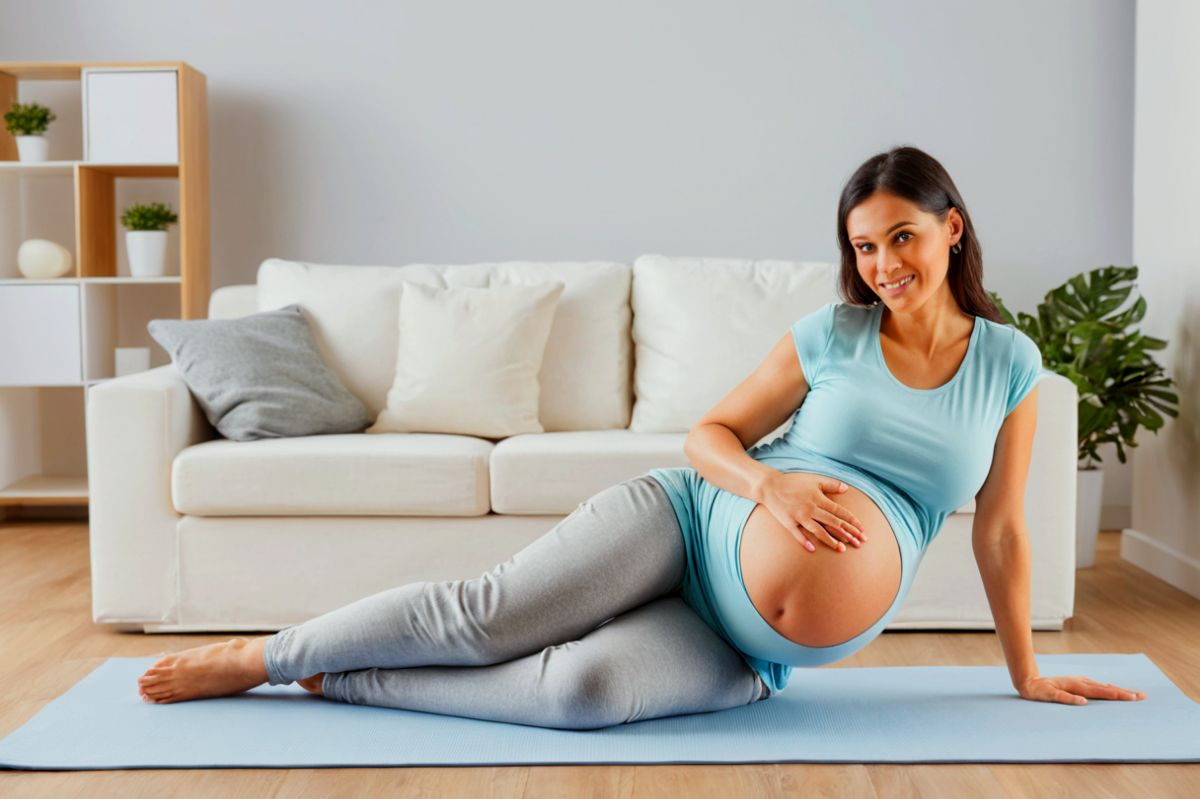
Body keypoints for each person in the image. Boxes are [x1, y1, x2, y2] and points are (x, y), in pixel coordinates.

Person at [135, 145, 1146, 727]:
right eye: (865, 246)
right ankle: (265, 655)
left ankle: (345, 677)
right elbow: (708, 432)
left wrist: (1023, 670)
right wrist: (770, 488)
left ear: (952, 228)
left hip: (750, 650)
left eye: (903, 238)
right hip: (691, 519)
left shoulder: (1012, 364)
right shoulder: (831, 336)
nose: (884, 263)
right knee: (490, 616)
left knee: (582, 692)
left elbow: (1003, 530)